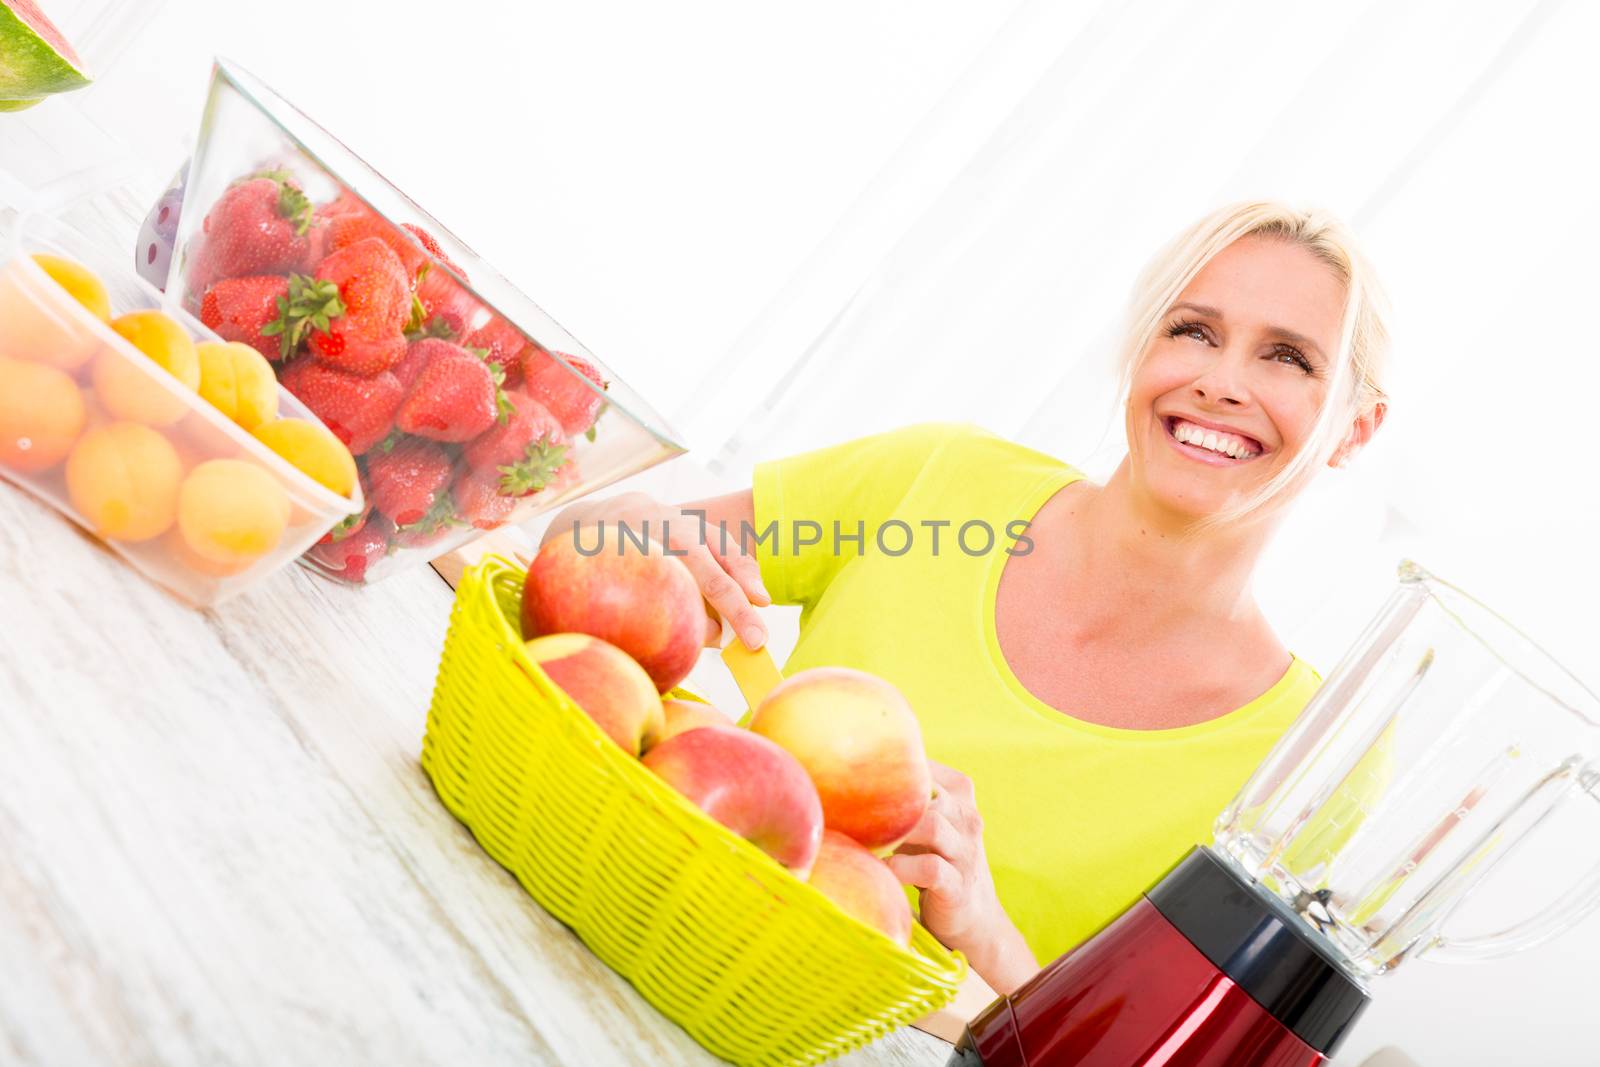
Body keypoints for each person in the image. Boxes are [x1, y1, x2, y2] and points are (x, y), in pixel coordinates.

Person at [543, 200, 1390, 995]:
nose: (1219, 382)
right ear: (1141, 353)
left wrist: (982, 929)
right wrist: (613, 523)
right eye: (1193, 330)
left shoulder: (1312, 762)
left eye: (1288, 356)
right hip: (647, 942)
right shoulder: (944, 486)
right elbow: (574, 560)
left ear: (1356, 429)